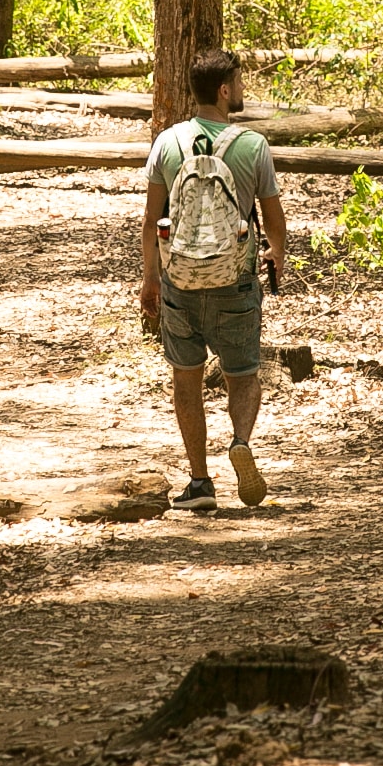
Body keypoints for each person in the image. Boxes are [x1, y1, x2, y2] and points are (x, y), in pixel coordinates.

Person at [139, 46, 290, 510]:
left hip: (181, 281)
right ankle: (240, 441)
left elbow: (151, 220)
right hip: (235, 281)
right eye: (240, 84)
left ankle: (200, 483)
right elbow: (272, 213)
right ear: (224, 91)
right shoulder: (252, 146)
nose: (242, 91)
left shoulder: (167, 142)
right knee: (242, 375)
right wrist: (277, 253)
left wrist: (151, 280)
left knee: (185, 380)